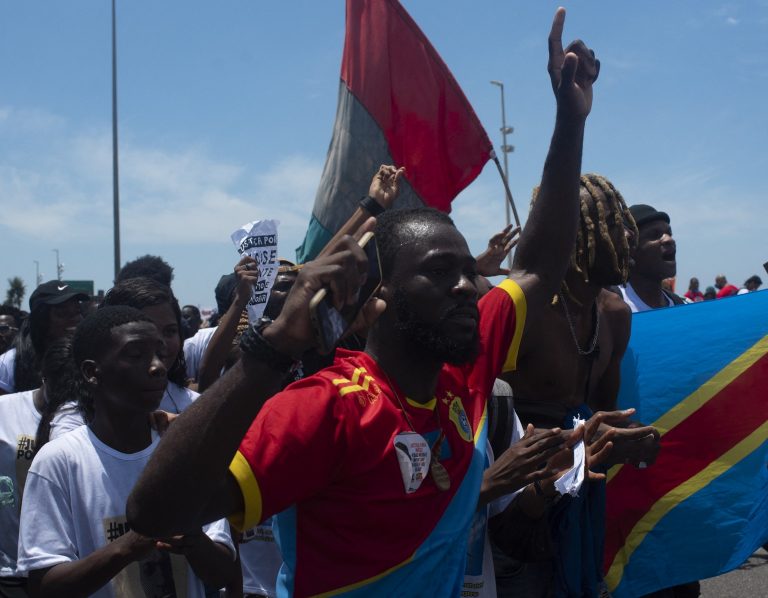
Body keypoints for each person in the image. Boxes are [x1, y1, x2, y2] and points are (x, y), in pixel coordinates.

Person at [127, 8, 598, 595]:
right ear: (382, 297)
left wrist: (570, 120)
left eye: (465, 270)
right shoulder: (328, 407)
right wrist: (267, 354)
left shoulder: (463, 368)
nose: (465, 285)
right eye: (439, 272)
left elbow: (536, 267)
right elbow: (156, 515)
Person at [498, 173, 660, 597]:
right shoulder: (525, 310)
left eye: (625, 222)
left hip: (579, 499)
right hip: (519, 506)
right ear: (571, 231)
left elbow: (602, 413)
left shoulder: (615, 314)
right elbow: (483, 416)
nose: (627, 234)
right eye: (610, 220)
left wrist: (633, 441)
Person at [16, 306, 237, 596]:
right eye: (136, 355)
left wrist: (193, 541)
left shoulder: (188, 455)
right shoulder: (60, 461)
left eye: (160, 353)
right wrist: (130, 544)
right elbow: (45, 586)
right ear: (92, 372)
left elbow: (222, 572)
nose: (157, 366)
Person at [0, 339, 85, 596]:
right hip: (10, 568)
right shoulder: (5, 410)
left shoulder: (91, 417)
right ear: (43, 376)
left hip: (73, 567)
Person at [101, 277, 197, 414]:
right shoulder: (78, 416)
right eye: (145, 332)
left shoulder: (196, 408)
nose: (161, 343)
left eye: (170, 331)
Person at [0, 281, 88, 396]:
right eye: (63, 313)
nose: (75, 319)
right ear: (41, 321)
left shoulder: (88, 357)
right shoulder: (10, 363)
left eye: (77, 312)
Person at [620, 204, 685, 312]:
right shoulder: (610, 306)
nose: (669, 239)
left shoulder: (679, 305)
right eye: (655, 235)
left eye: (669, 233)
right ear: (630, 249)